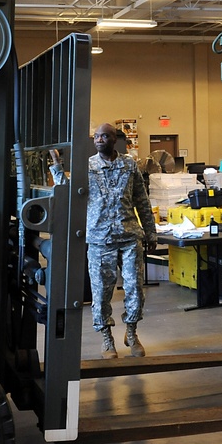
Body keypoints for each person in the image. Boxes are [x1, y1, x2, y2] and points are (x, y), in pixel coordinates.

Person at [51, 123, 158, 359]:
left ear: (114, 139)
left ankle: (131, 333)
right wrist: (57, 167)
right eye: (97, 136)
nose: (100, 139)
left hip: (130, 238)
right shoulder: (86, 167)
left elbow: (142, 201)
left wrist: (150, 232)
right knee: (100, 294)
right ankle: (107, 339)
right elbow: (68, 192)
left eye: (105, 136)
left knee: (135, 291)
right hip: (100, 240)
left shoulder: (129, 165)